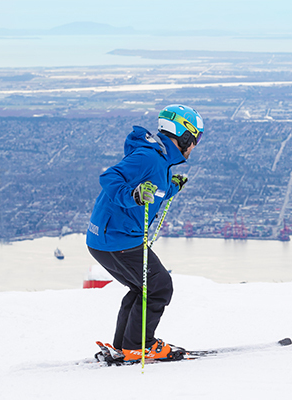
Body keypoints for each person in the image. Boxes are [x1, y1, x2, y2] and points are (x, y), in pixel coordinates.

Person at [86, 104, 203, 361]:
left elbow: (153, 192)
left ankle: (125, 346)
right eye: (195, 139)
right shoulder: (150, 157)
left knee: (144, 288)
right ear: (184, 136)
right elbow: (110, 177)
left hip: (109, 238)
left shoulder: (160, 159)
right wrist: (133, 196)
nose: (194, 146)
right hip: (117, 239)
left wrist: (171, 188)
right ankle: (140, 345)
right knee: (159, 286)